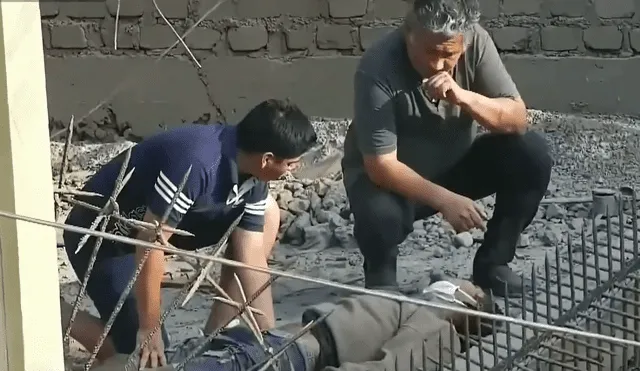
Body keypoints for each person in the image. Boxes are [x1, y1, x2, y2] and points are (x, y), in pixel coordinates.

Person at [62, 99, 318, 368]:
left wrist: (269, 338)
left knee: (267, 213)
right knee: (144, 358)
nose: (293, 171)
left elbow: (251, 255)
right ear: (267, 160)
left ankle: (215, 334)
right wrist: (149, 331)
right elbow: (151, 243)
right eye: (291, 164)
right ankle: (60, 315)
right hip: (104, 238)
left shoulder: (252, 169)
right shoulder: (197, 164)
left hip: (168, 224)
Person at [341, 0, 553, 297]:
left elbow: (516, 118)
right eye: (431, 53)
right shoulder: (377, 69)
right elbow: (381, 166)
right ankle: (381, 281)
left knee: (532, 154)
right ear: (409, 34)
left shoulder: (476, 41)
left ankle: (493, 266)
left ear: (463, 43)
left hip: (453, 164)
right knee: (380, 215)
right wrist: (446, 200)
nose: (440, 64)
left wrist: (463, 97)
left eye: (449, 54)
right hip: (391, 182)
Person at [80, 277, 501, 371]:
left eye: (469, 285)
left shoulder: (437, 326)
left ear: (469, 304)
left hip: (288, 356)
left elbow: (391, 369)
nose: (456, 278)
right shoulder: (410, 301)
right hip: (274, 343)